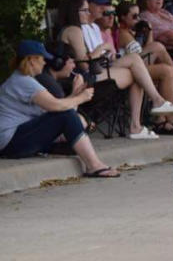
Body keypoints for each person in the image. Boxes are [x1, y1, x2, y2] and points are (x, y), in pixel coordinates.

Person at [58, 0, 173, 139]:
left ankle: (150, 111)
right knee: (136, 68)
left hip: (96, 69)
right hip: (84, 78)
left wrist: (106, 53)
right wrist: (103, 47)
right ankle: (141, 120)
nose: (88, 13)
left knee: (136, 68)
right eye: (85, 10)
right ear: (74, 11)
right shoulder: (73, 30)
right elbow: (85, 64)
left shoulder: (80, 29)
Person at [0, 40, 119, 177]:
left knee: (72, 134)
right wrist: (81, 97)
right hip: (10, 143)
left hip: (13, 141)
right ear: (32, 61)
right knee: (66, 117)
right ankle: (94, 165)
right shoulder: (23, 82)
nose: (44, 63)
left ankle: (86, 160)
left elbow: (57, 109)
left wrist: (75, 94)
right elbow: (57, 107)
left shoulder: (22, 79)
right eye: (42, 59)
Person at [116, 1, 173, 133]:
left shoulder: (132, 32)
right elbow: (138, 55)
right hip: (131, 70)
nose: (138, 20)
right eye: (134, 16)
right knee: (161, 54)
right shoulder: (122, 33)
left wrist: (149, 33)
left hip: (141, 66)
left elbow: (147, 50)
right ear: (123, 17)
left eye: (139, 16)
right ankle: (169, 118)